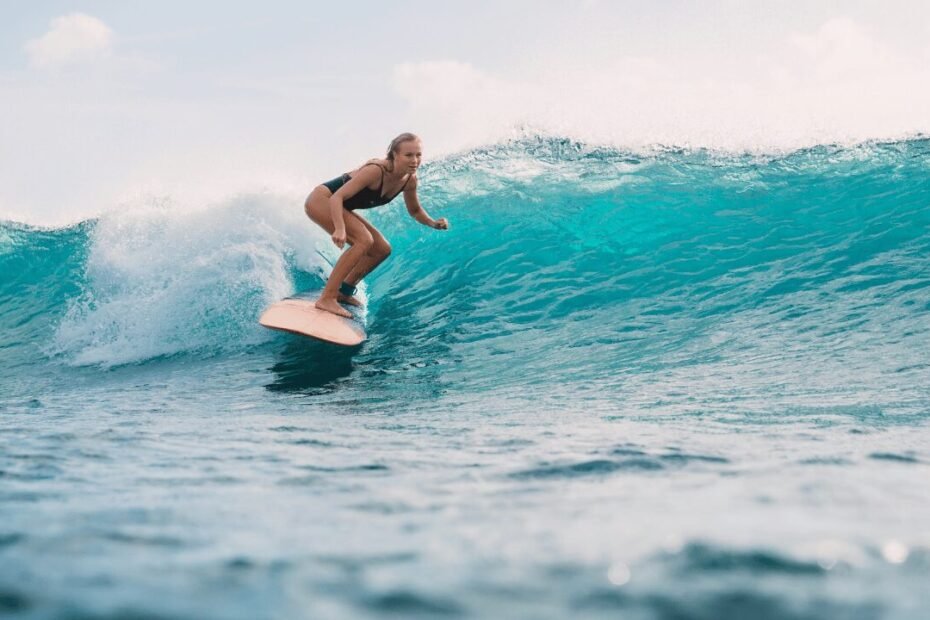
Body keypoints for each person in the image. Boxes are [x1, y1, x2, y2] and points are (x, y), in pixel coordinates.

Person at [304, 133, 449, 318]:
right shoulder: (376, 171)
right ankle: (327, 298)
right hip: (322, 200)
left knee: (382, 249)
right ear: (394, 155)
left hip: (339, 205)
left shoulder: (409, 180)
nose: (415, 160)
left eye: (418, 155)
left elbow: (415, 211)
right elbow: (337, 197)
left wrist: (433, 223)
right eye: (409, 155)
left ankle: (344, 291)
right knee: (363, 240)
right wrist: (339, 228)